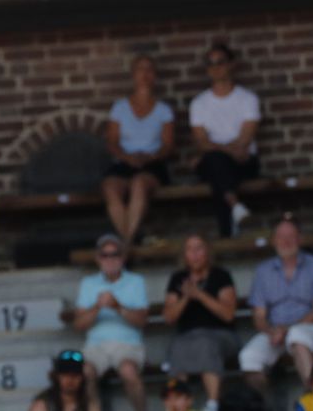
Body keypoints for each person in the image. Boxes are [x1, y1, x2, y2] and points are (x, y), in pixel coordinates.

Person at [239, 215, 313, 394]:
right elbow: (258, 317)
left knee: (297, 336)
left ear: (300, 239)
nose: (286, 241)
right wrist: (272, 331)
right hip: (275, 333)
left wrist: (287, 330)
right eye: (281, 236)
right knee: (248, 356)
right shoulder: (262, 270)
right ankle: (262, 406)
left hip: (311, 329)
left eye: (291, 236)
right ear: (273, 240)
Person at [190, 43, 261, 237]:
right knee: (216, 163)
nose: (216, 67)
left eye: (220, 62)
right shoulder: (199, 103)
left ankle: (226, 235)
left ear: (232, 64)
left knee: (215, 168)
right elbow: (201, 142)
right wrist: (223, 151)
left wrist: (215, 150)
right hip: (220, 162)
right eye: (210, 63)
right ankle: (234, 204)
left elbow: (245, 141)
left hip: (244, 163)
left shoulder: (248, 99)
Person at [102, 55, 175, 244]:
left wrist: (149, 157)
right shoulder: (119, 108)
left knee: (138, 184)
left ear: (155, 75)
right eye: (140, 69)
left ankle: (124, 246)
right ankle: (130, 241)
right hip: (125, 162)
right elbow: (111, 142)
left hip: (152, 164)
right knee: (110, 187)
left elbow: (168, 146)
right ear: (133, 75)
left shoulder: (164, 110)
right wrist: (128, 158)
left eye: (149, 69)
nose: (145, 74)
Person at [162, 234, 239, 411]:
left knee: (205, 344)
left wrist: (201, 295)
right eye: (190, 249)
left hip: (222, 336)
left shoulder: (221, 276)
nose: (195, 254)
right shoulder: (178, 278)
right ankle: (178, 405)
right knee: (178, 346)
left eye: (199, 248)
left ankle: (212, 404)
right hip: (187, 337)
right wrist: (186, 297)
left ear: (207, 251)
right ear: (184, 254)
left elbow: (228, 314)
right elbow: (169, 317)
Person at [72, 234, 148, 411]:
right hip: (95, 346)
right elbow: (78, 325)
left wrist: (117, 306)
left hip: (128, 344)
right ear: (98, 258)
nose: (110, 259)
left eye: (115, 254)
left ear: (123, 257)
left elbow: (142, 321)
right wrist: (97, 307)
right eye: (105, 255)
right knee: (84, 372)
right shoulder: (88, 283)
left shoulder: (136, 281)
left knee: (128, 371)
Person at [28, 349, 98, 411]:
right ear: (56, 376)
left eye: (75, 375)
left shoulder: (88, 403)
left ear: (82, 377)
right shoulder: (43, 403)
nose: (70, 379)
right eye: (65, 375)